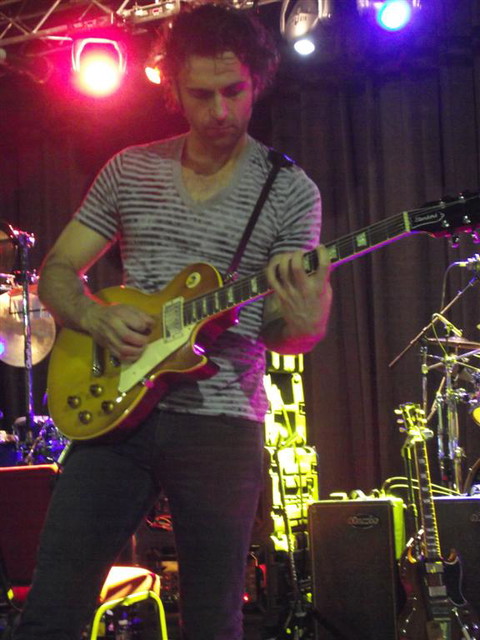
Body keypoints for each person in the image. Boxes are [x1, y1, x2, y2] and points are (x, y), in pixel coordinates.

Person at [12, 4, 332, 640]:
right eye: (201, 95)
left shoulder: (291, 191)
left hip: (221, 421)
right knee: (51, 611)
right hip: (114, 409)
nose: (220, 112)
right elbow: (57, 272)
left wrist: (305, 320)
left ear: (258, 81)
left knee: (214, 621)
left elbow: (286, 334)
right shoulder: (129, 169)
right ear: (173, 88)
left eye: (234, 91)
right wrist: (95, 318)